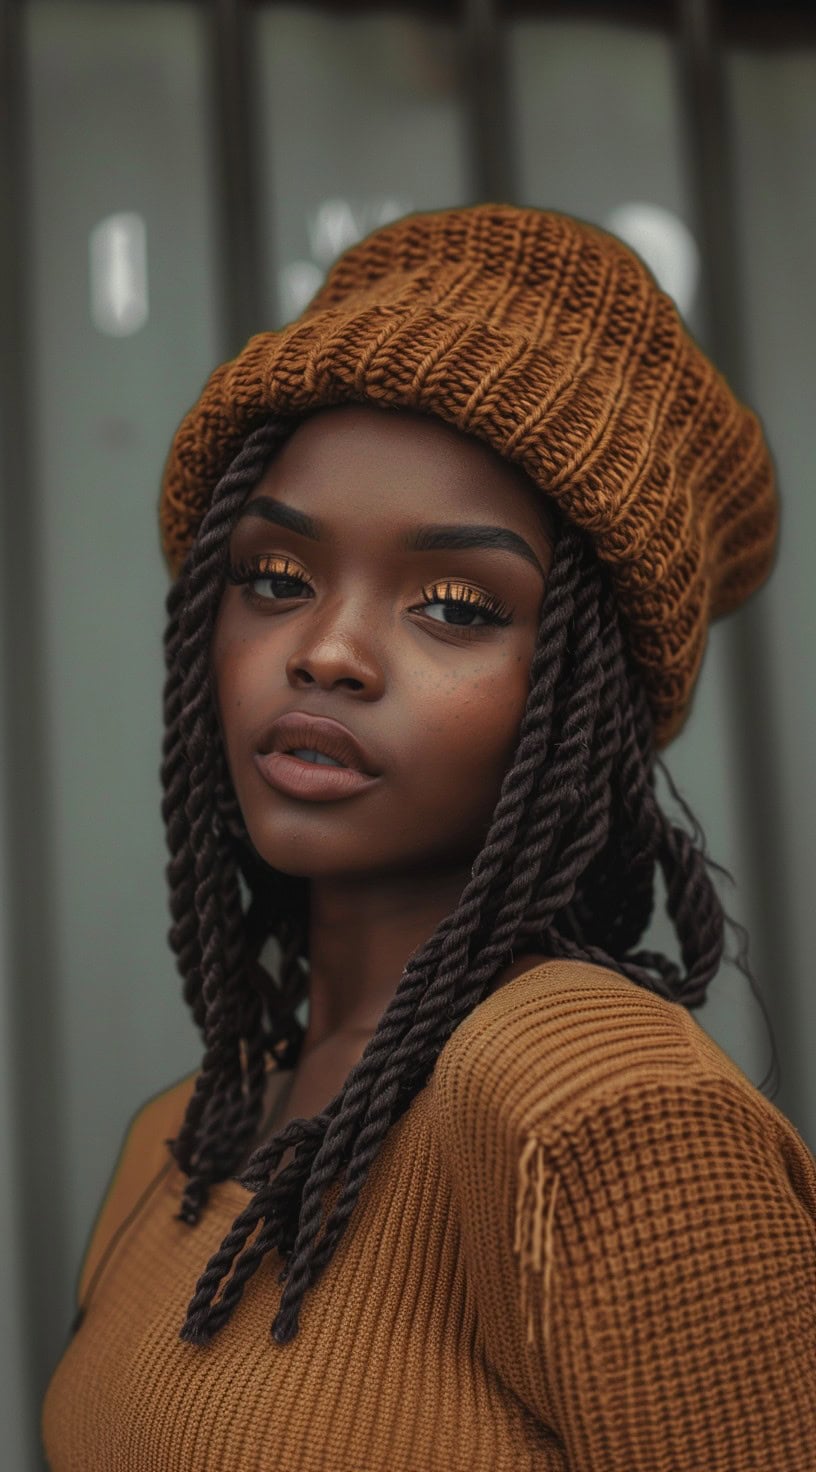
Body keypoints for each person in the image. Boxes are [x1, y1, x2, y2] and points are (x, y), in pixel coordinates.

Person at [42, 204, 815, 1470]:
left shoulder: (593, 1100)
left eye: (457, 606)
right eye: (274, 578)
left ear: (579, 697)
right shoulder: (187, 1132)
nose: (328, 649)